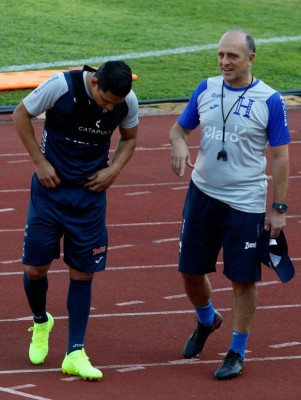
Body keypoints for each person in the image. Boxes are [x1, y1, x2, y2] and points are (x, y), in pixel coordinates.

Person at [169, 30, 290, 380]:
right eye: (221, 55)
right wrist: (178, 143)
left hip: (245, 203)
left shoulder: (270, 100)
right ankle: (208, 320)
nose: (224, 62)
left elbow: (281, 158)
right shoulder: (205, 88)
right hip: (202, 194)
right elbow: (178, 129)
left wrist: (278, 209)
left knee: (242, 279)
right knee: (190, 273)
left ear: (250, 59)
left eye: (232, 56)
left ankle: (237, 350)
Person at [13, 61, 139, 381]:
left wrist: (114, 170)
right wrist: (40, 163)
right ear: (94, 83)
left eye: (115, 104)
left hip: (89, 198)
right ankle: (42, 322)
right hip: (49, 192)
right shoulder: (61, 86)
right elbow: (20, 114)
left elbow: (129, 137)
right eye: (105, 101)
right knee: (34, 269)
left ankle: (75, 352)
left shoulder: (127, 101)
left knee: (82, 274)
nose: (109, 108)